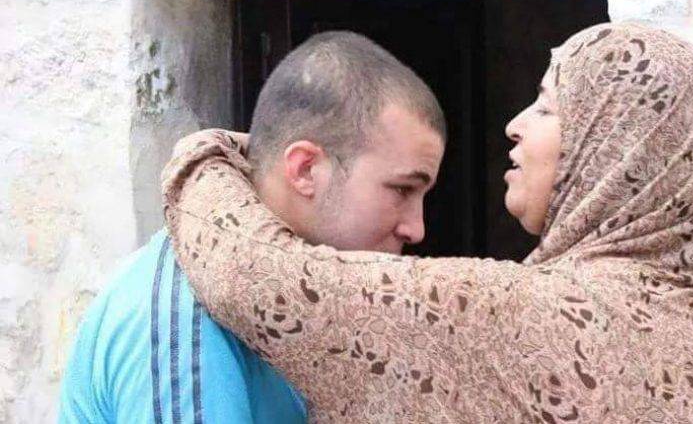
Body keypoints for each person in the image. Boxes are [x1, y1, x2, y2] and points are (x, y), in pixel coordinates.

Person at [163, 22, 693, 423]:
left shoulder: (530, 319)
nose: (515, 124)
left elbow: (256, 278)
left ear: (620, 149)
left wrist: (209, 155)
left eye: (546, 106)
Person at [58, 31, 446, 423]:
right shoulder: (190, 322)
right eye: (402, 189)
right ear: (306, 169)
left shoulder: (292, 294)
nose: (417, 229)